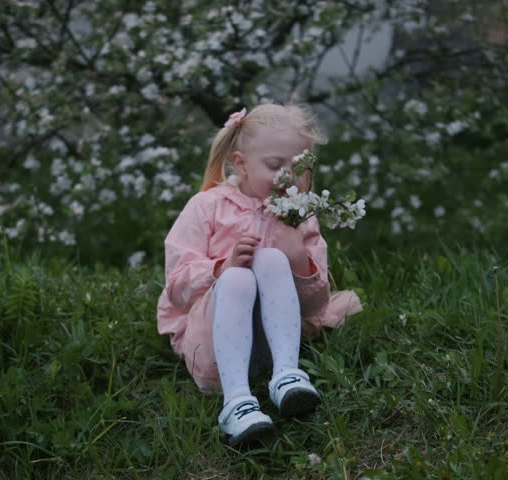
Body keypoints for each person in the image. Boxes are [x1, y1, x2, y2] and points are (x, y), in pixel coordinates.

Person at [156, 102, 363, 446]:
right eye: (274, 165)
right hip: (214, 351)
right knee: (238, 276)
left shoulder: (299, 216)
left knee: (270, 260)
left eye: (298, 167)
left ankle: (286, 375)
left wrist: (297, 258)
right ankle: (236, 402)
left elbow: (314, 307)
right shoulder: (206, 206)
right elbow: (177, 286)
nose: (287, 177)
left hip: (273, 343)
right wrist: (221, 268)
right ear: (240, 163)